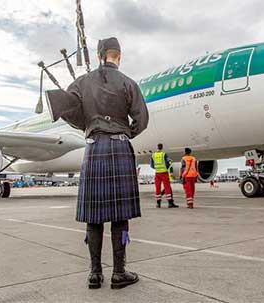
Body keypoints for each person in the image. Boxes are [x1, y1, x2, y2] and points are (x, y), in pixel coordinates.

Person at [47, 37, 148, 289]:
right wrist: (124, 133)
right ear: (118, 56)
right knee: (120, 216)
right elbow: (142, 120)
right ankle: (119, 272)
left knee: (94, 217)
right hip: (120, 147)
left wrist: (89, 125)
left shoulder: (81, 82)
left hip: (94, 148)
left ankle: (94, 273)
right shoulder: (129, 83)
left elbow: (69, 112)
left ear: (100, 55)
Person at [150, 144, 178, 208]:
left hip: (157, 173)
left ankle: (158, 204)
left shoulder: (153, 155)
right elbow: (168, 163)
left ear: (157, 147)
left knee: (157, 188)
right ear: (162, 147)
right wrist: (166, 168)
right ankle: (170, 203)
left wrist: (157, 168)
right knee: (167, 187)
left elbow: (151, 165)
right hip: (164, 173)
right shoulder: (164, 154)